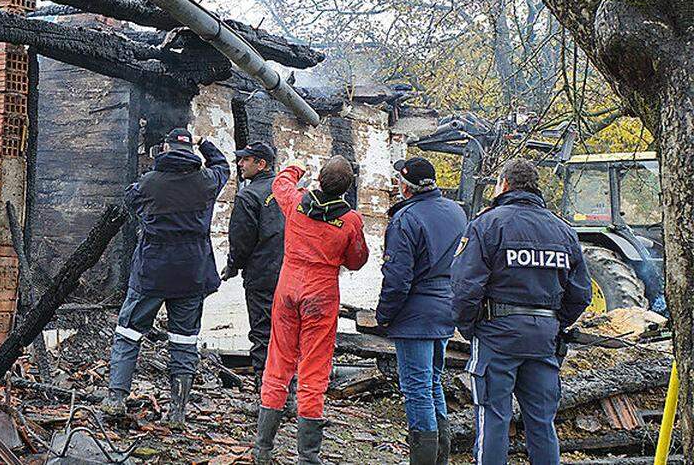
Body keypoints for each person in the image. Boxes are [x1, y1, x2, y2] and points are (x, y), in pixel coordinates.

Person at [452, 158, 592, 465]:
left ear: (503, 184)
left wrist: (471, 326)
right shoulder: (563, 230)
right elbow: (581, 294)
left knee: (493, 419)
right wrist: (555, 323)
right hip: (544, 339)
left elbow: (464, 286)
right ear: (535, 186)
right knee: (542, 422)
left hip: (497, 335)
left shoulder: (487, 224)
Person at [101, 128, 229, 428]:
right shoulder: (207, 182)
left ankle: (116, 397)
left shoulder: (149, 184)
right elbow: (222, 165)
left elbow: (130, 199)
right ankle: (177, 412)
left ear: (166, 150)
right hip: (191, 274)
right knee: (184, 341)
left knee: (129, 332)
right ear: (191, 154)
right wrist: (204, 142)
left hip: (152, 273)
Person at [253, 155, 369, 465]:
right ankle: (307, 456)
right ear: (348, 186)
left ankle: (263, 448)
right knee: (314, 370)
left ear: (319, 179)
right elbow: (357, 260)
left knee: (278, 362)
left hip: (288, 286)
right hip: (321, 292)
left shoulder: (298, 201)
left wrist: (295, 167)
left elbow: (280, 183)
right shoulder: (350, 220)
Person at [376, 157, 468, 465]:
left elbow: (398, 278)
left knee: (416, 388)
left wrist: (384, 314)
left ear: (406, 187)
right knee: (433, 382)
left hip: (415, 313)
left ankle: (424, 459)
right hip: (445, 307)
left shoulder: (405, 220)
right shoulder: (457, 212)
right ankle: (440, 458)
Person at [221, 141, 286, 389]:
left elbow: (241, 240)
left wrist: (232, 266)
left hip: (262, 276)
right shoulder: (288, 191)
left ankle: (267, 393)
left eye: (246, 160)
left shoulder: (248, 195)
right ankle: (288, 391)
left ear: (261, 164)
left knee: (262, 332)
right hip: (290, 274)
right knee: (287, 333)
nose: (240, 164)